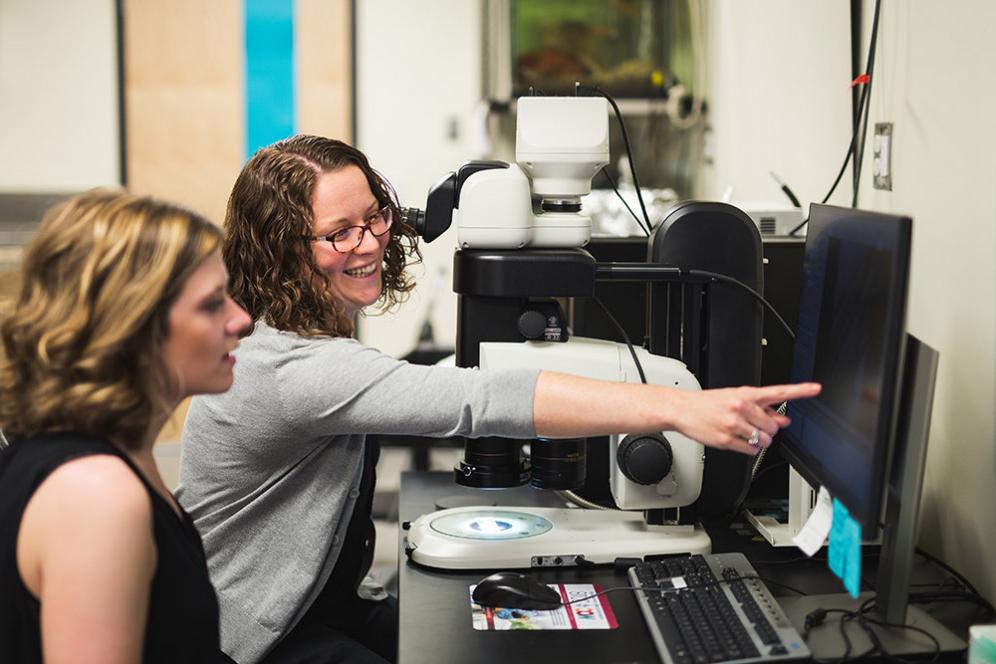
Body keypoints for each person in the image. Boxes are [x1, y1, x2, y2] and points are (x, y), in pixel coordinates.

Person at [177, 135, 820, 664]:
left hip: (320, 600)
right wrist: (678, 406)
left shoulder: (305, 326)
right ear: (282, 251)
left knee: (477, 635)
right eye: (338, 233)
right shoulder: (291, 366)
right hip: (252, 638)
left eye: (373, 216)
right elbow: (478, 399)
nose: (370, 242)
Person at [0, 190, 251, 663]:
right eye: (212, 304)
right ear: (133, 328)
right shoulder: (97, 494)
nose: (241, 319)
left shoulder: (116, 457)